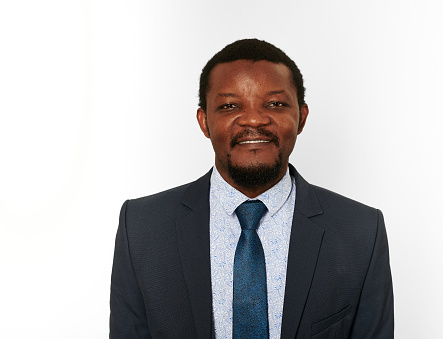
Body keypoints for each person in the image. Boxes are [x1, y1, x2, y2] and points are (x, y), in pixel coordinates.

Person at [110, 38, 393, 339]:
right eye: (230, 105)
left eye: (275, 104)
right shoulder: (141, 228)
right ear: (204, 122)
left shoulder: (361, 232)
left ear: (302, 117)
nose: (255, 119)